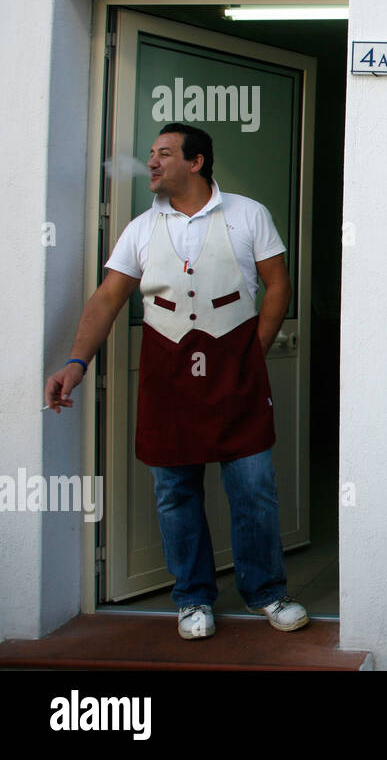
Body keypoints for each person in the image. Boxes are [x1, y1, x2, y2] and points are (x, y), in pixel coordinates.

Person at [44, 123, 309, 639]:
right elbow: (106, 299)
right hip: (167, 375)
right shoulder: (140, 228)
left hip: (236, 368)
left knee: (254, 488)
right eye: (151, 154)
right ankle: (192, 599)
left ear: (197, 161)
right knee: (174, 491)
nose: (153, 162)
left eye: (164, 154)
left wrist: (254, 351)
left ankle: (267, 593)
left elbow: (278, 285)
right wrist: (75, 364)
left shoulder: (249, 214)